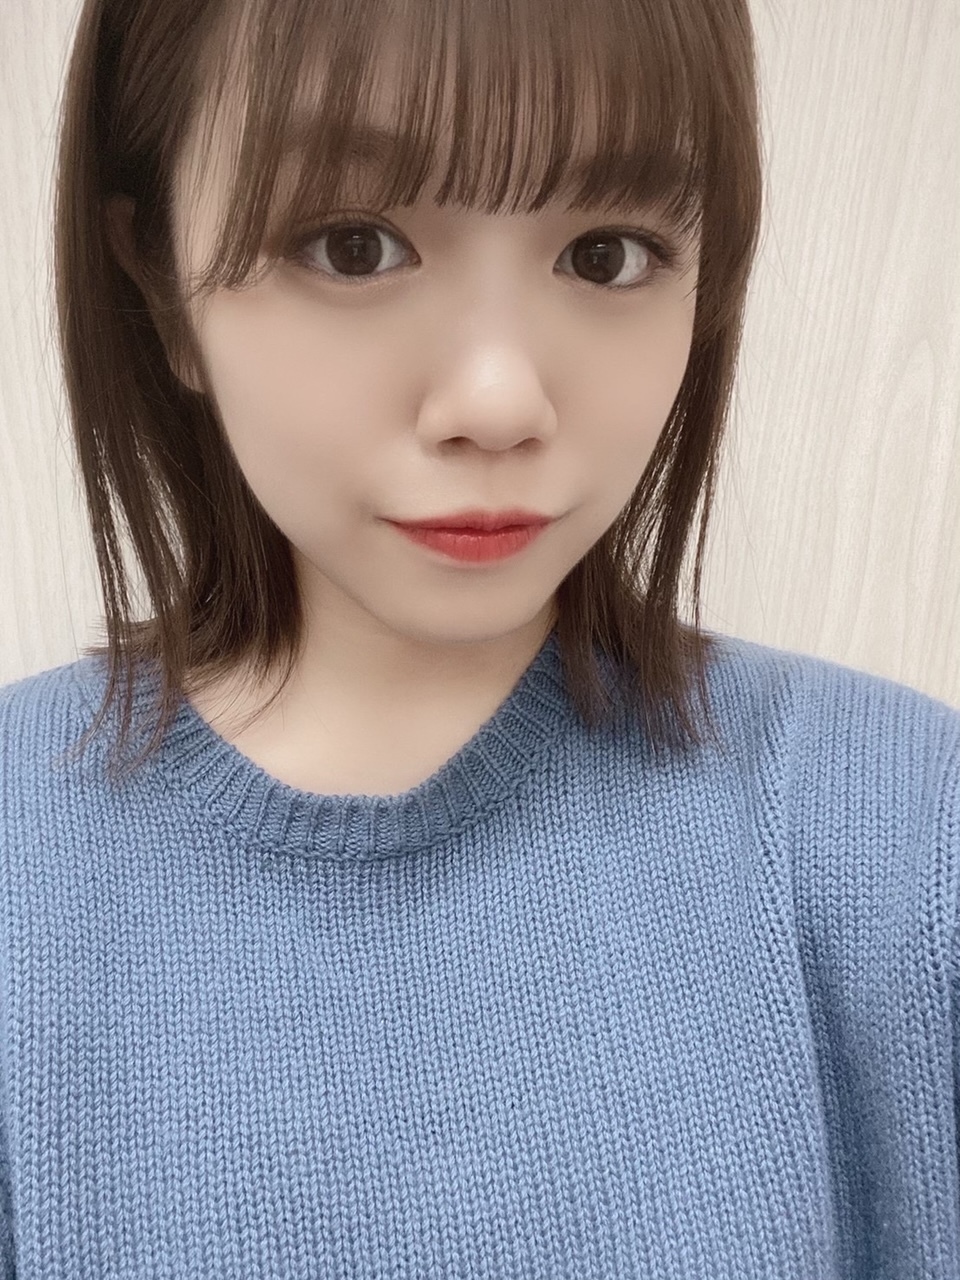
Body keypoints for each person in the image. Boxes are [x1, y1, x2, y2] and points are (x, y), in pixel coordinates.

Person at [0, 0, 957, 1275]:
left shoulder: (904, 829)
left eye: (608, 254)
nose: (500, 399)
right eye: (352, 245)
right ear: (160, 279)